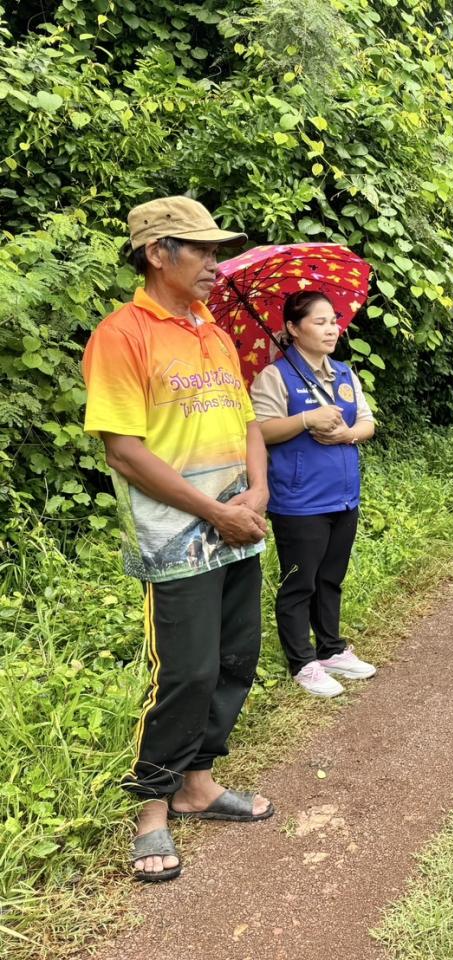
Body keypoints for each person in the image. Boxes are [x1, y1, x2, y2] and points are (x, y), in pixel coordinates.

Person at [82, 196, 273, 884]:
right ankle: (152, 811)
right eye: (202, 251)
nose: (215, 265)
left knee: (234, 658)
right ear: (158, 252)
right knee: (185, 670)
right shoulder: (122, 334)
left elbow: (250, 421)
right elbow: (125, 451)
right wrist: (214, 512)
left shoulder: (215, 333)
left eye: (217, 251)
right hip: (176, 540)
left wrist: (258, 492)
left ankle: (198, 782)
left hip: (238, 530)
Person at [249, 291, 377, 698]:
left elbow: (368, 422)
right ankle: (301, 662)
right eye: (319, 321)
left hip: (343, 496)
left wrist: (347, 433)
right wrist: (306, 419)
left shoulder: (343, 374)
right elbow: (260, 430)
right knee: (299, 582)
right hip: (299, 500)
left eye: (333, 320)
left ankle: (331, 649)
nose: (330, 328)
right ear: (292, 328)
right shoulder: (276, 376)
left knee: (330, 578)